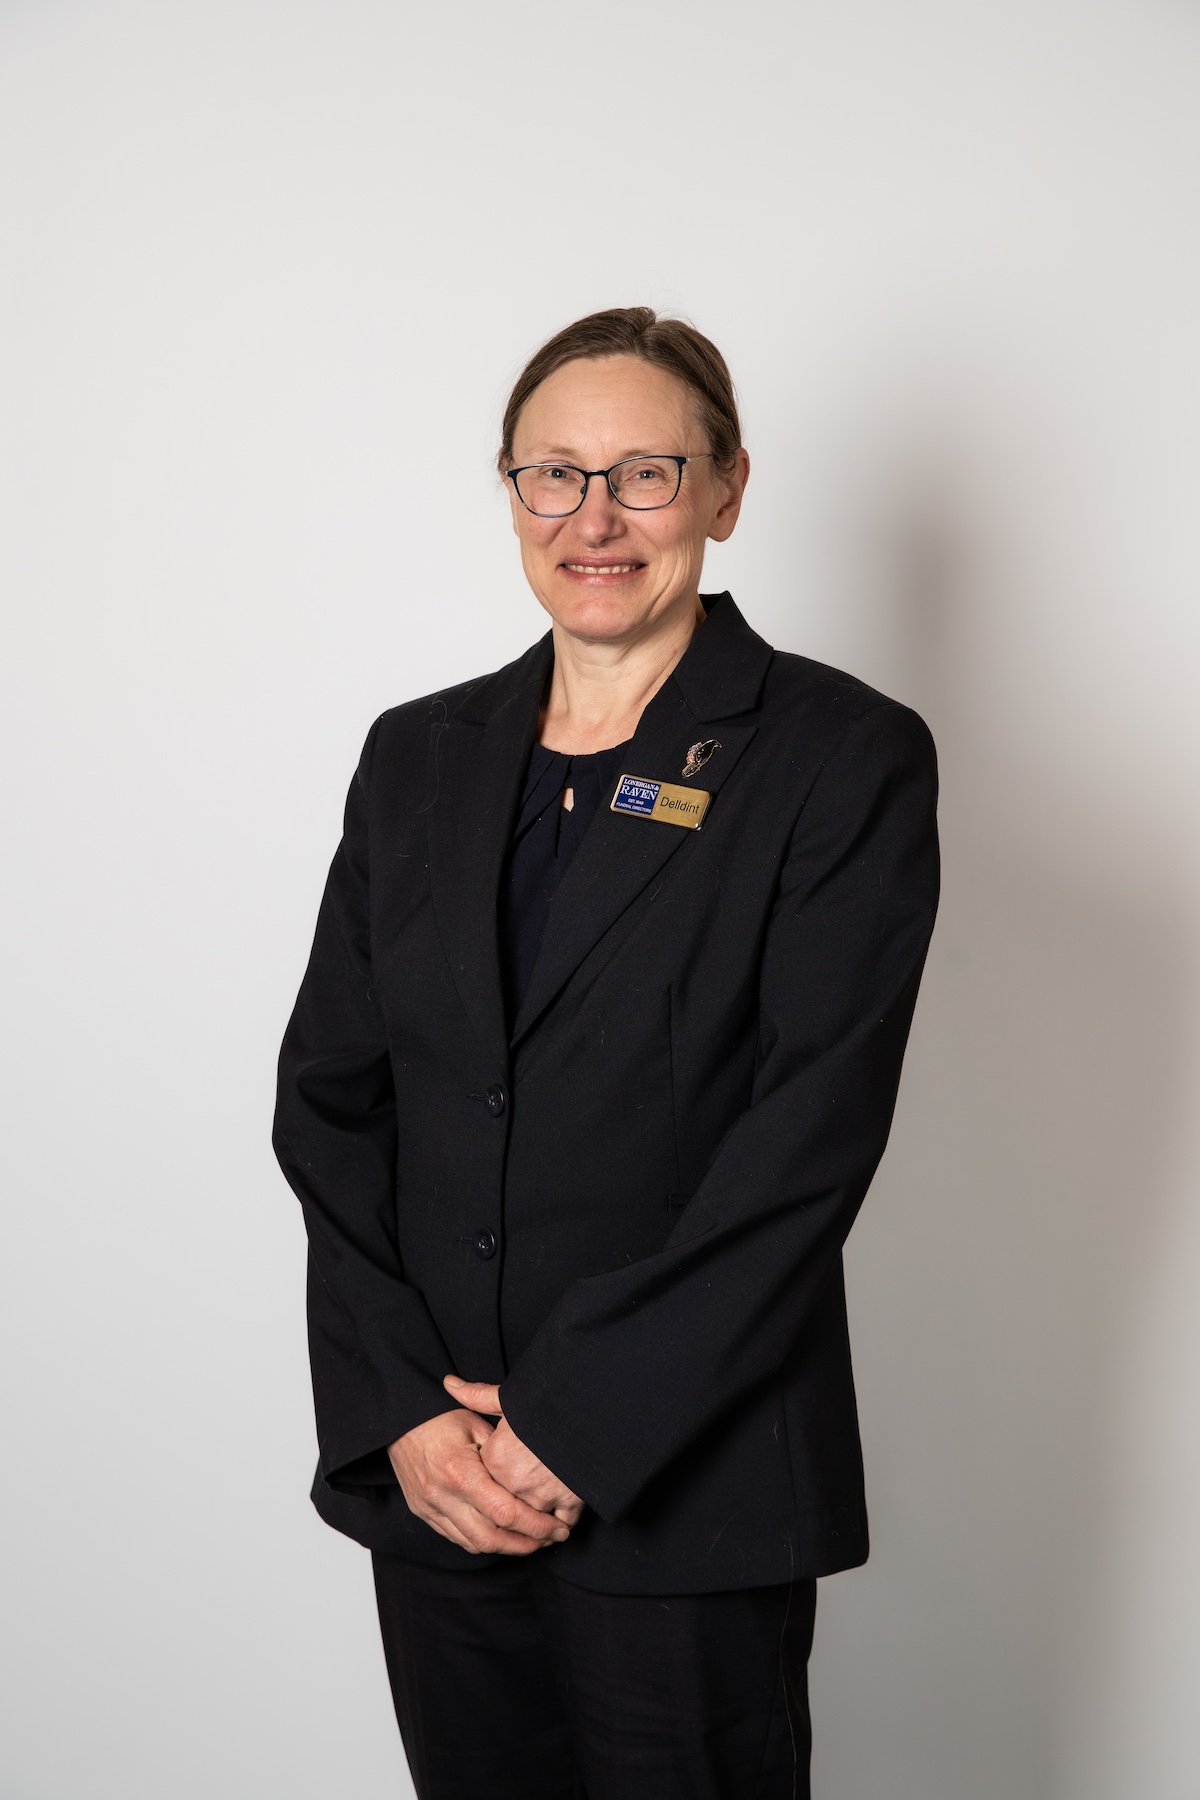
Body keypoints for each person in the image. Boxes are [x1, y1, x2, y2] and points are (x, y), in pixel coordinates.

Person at [272, 305, 940, 1799]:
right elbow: (330, 1106)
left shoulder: (839, 756)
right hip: (439, 1488)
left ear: (727, 488)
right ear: (507, 491)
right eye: (552, 475)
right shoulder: (417, 757)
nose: (595, 517)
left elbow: (805, 1142)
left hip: (686, 1487)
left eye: (645, 472)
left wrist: (573, 1427)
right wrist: (403, 1415)